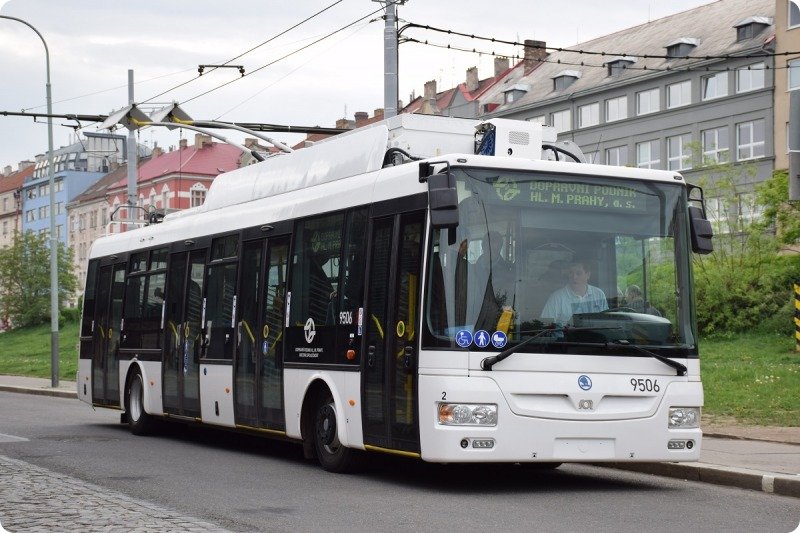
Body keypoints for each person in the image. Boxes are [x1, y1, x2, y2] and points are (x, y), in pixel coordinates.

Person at [540, 258, 608, 325]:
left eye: (578, 273)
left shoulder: (599, 294)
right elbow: (546, 324)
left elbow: (606, 321)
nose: (574, 277)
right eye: (570, 273)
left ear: (588, 275)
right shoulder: (556, 297)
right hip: (565, 336)